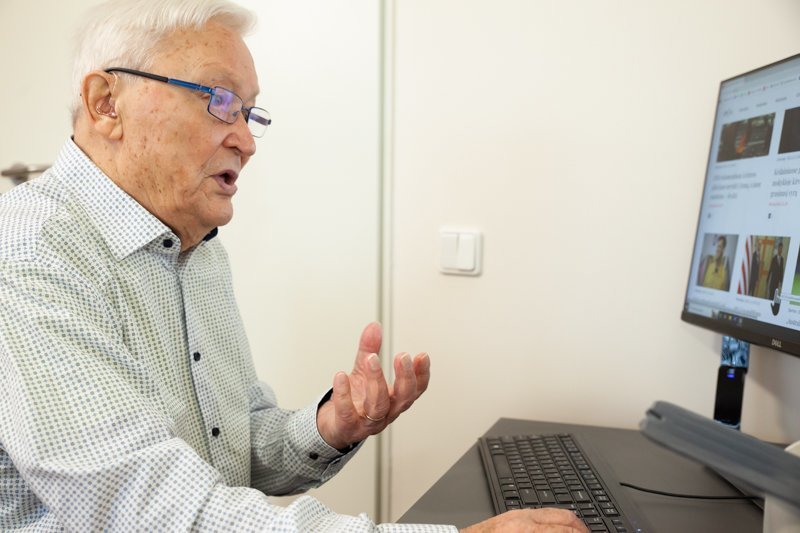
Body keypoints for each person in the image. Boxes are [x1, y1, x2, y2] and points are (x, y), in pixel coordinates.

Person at [0, 0, 588, 531]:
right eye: (218, 101)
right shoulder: (29, 252)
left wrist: (332, 425)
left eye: (248, 113)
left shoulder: (197, 251)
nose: (246, 140)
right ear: (106, 104)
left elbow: (233, 446)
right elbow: (150, 507)